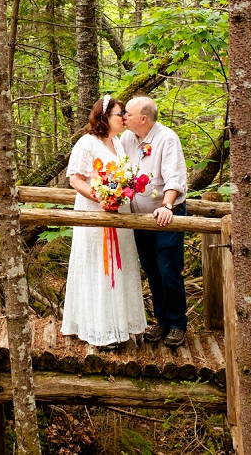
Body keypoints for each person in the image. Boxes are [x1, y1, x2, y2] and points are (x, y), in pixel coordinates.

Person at [61, 95, 147, 348]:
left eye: (123, 115)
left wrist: (122, 193)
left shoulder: (118, 144)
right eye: (119, 114)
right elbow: (76, 179)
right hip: (95, 214)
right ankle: (98, 328)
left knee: (119, 267)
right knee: (98, 265)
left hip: (119, 215)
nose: (123, 119)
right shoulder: (87, 143)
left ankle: (119, 324)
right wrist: (99, 196)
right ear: (104, 117)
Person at [120, 96, 189, 348]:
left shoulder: (167, 138)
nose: (123, 116)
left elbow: (174, 177)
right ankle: (161, 321)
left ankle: (177, 324)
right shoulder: (127, 138)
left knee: (169, 269)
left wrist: (167, 205)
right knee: (150, 268)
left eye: (127, 113)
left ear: (143, 118)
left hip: (165, 216)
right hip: (139, 218)